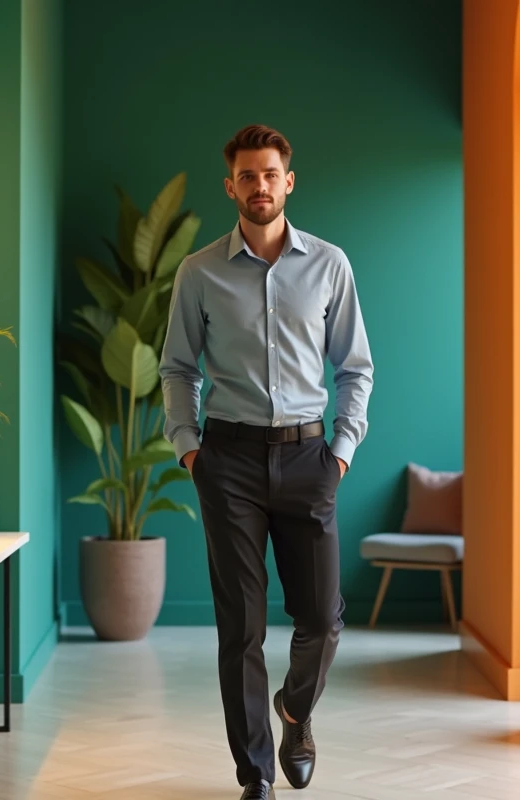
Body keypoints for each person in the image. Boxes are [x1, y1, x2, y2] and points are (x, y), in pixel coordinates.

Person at [159, 124, 375, 800]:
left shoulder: (330, 265)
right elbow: (176, 368)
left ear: (289, 181)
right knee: (241, 628)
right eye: (247, 176)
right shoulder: (199, 273)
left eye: (270, 174)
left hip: (309, 456)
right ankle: (254, 773)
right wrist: (189, 449)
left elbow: (356, 368)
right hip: (227, 462)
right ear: (231, 187)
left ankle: (295, 711)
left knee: (322, 618)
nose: (260, 186)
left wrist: (339, 453)